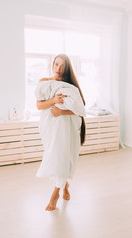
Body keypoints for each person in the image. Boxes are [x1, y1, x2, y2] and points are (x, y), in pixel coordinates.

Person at [35, 54, 86, 211]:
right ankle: (64, 185)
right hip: (49, 128)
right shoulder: (45, 82)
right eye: (56, 64)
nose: (58, 69)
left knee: (62, 158)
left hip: (66, 129)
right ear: (52, 65)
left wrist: (61, 113)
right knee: (55, 158)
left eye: (62, 66)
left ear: (67, 68)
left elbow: (80, 110)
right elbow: (39, 105)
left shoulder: (70, 87)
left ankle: (55, 194)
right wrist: (54, 101)